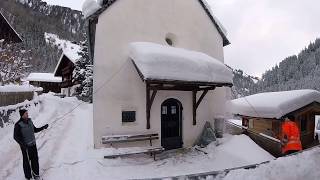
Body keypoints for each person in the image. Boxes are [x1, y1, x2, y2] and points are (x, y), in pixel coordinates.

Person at [13, 109, 48, 180]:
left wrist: (43, 127)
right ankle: (28, 177)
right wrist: (23, 144)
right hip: (26, 147)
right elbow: (15, 137)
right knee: (27, 162)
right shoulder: (18, 124)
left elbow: (35, 130)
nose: (27, 114)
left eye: (27, 113)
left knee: (35, 159)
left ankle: (36, 175)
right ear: (22, 115)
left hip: (33, 144)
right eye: (26, 113)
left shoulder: (30, 121)